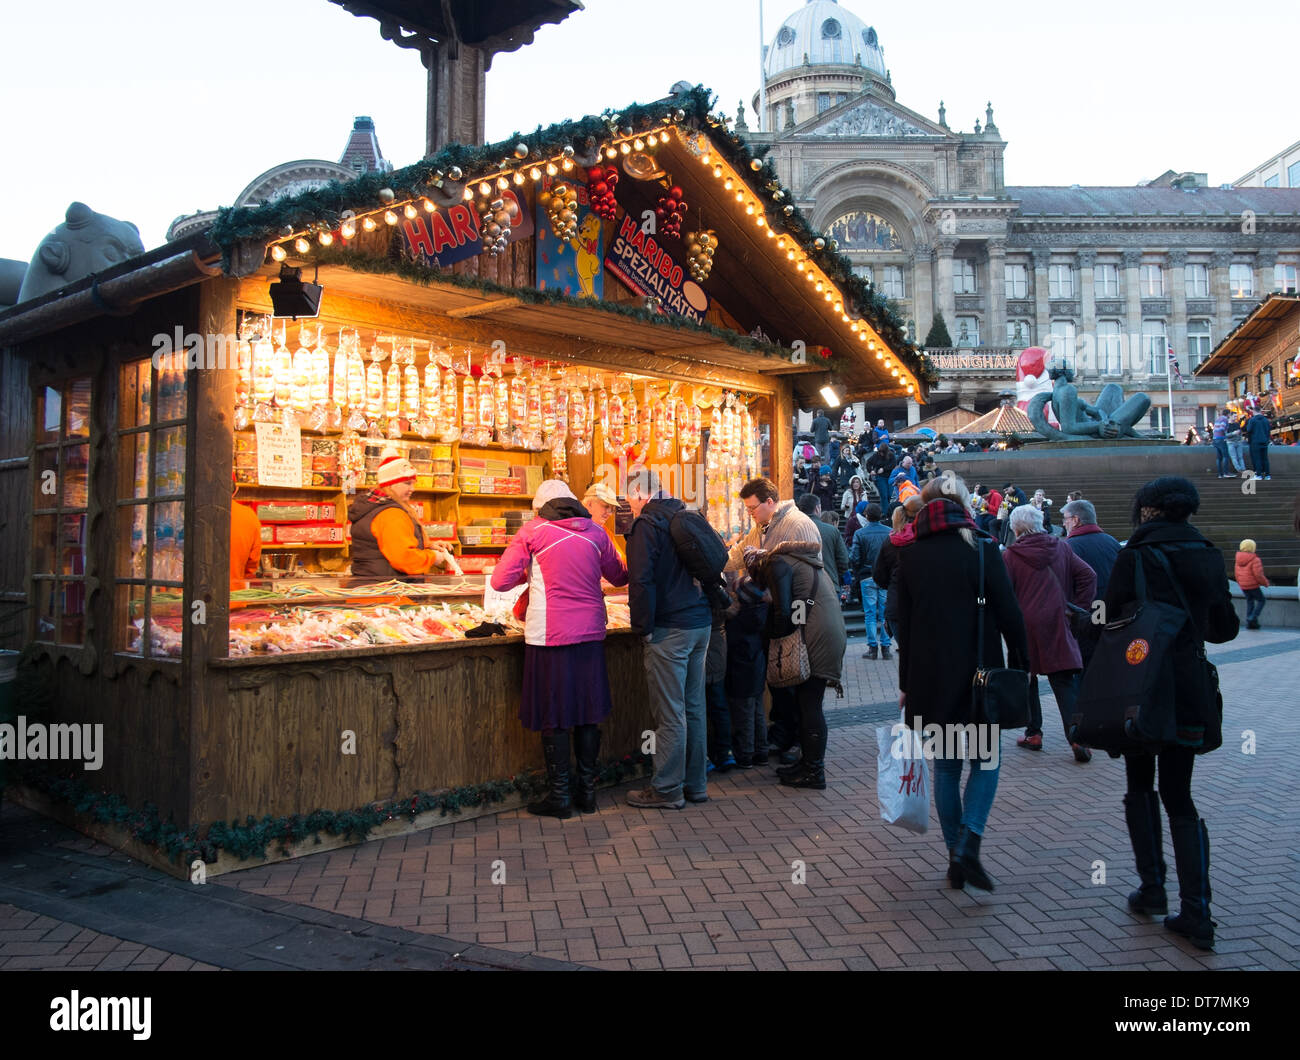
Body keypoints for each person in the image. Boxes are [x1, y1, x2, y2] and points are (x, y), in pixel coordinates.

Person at [1105, 476, 1238, 950]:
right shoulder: (1207, 552)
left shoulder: (1134, 554)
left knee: (1139, 785)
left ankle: (1152, 888)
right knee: (1179, 795)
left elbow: (1108, 617)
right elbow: (1225, 629)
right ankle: (1198, 911)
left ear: (1147, 510)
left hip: (1139, 687)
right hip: (1188, 688)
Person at [893, 474, 1029, 892]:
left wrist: (906, 682)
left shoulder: (911, 556)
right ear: (964, 504)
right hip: (980, 677)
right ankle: (970, 840)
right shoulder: (985, 550)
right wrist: (1022, 666)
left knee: (947, 769)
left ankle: (956, 854)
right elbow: (1010, 615)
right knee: (986, 762)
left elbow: (902, 625)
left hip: (931, 680)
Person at [491, 480, 628, 817]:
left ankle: (560, 796)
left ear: (541, 508)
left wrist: (531, 570)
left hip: (549, 633)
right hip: (591, 632)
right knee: (587, 710)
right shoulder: (597, 533)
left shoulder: (532, 531)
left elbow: (499, 581)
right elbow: (620, 575)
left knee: (555, 713)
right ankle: (588, 793)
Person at [624, 469, 714, 810]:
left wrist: (643, 627)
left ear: (638, 495)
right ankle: (695, 784)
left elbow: (641, 580)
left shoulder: (647, 525)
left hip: (669, 628)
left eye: (629, 500)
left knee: (671, 713)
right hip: (699, 623)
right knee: (693, 707)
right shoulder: (685, 515)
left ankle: (666, 789)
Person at [743, 504, 846, 791]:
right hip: (826, 629)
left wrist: (775, 638)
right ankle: (806, 764)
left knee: (809, 703)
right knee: (805, 701)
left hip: (817, 636)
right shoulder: (795, 560)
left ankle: (815, 772)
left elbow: (785, 614)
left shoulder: (775, 565)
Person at [1003, 504, 1097, 762]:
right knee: (1064, 682)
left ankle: (1034, 733)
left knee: (1028, 681)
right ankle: (1078, 738)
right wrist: (1077, 608)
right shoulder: (1062, 547)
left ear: (1016, 527)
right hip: (1057, 620)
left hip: (1024, 625)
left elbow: (1003, 594)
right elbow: (1088, 575)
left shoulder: (1010, 555)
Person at [735, 477, 819, 761]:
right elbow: (739, 553)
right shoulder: (763, 525)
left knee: (794, 678)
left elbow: (811, 573)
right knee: (779, 678)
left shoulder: (797, 523)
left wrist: (792, 608)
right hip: (774, 613)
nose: (750, 514)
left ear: (770, 502)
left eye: (752, 509)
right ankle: (784, 736)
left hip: (795, 614)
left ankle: (797, 742)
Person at [349, 448, 458, 579]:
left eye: (413, 483)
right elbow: (404, 559)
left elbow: (388, 546)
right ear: (390, 484)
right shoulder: (391, 514)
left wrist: (427, 546)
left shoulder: (376, 506)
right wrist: (433, 557)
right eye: (407, 483)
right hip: (386, 591)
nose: (412, 489)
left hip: (371, 588)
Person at [725, 571, 769, 768]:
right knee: (757, 710)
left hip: (740, 670)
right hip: (756, 666)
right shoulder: (760, 613)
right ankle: (762, 751)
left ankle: (745, 754)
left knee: (744, 712)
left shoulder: (738, 620)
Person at [849, 503, 892, 659]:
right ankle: (886, 647)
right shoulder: (889, 532)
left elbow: (854, 557)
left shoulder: (860, 533)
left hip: (867, 575)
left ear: (866, 515)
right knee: (884, 613)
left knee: (870, 614)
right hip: (885, 577)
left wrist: (859, 570)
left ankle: (872, 648)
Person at [1061, 499, 1122, 598]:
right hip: (1115, 604)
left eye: (1065, 519)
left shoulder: (1068, 546)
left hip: (1087, 607)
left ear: (1075, 520)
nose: (1063, 524)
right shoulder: (1112, 541)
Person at [796, 493, 849, 590]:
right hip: (829, 584)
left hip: (801, 587)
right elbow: (844, 561)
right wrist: (833, 573)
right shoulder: (832, 530)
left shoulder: (792, 530)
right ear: (817, 508)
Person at [230, 474, 263, 591]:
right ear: (235, 490)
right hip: (233, 598)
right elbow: (252, 564)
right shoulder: (249, 516)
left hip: (187, 601)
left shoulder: (182, 513)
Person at [582, 481, 624, 561]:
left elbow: (621, 559)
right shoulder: (576, 530)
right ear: (589, 504)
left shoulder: (606, 532)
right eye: (605, 506)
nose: (609, 513)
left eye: (612, 510)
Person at [1235, 538, 1269, 629]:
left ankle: (1251, 622)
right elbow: (1258, 574)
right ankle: (1252, 617)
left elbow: (1236, 573)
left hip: (1244, 586)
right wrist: (1265, 583)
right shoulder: (1255, 559)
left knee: (1250, 602)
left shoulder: (1238, 558)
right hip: (1253, 585)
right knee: (1261, 600)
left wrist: (1240, 583)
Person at [865, 442, 896, 509]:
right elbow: (868, 463)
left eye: (883, 452)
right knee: (884, 495)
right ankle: (885, 513)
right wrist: (871, 471)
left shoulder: (891, 455)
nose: (881, 454)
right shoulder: (876, 455)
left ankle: (886, 510)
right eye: (880, 452)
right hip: (880, 477)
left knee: (889, 495)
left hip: (889, 477)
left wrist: (884, 469)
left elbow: (893, 464)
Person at [1245, 408, 1273, 480]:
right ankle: (1267, 475)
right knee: (1265, 458)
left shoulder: (1252, 420)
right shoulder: (1266, 420)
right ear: (1260, 411)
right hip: (1264, 441)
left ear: (1254, 412)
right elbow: (1268, 430)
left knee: (1257, 458)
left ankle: (1258, 475)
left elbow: (1248, 430)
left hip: (1255, 441)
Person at [1210, 410, 1232, 478]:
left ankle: (1220, 474)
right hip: (1221, 439)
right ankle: (1226, 473)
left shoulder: (1218, 419)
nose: (1229, 416)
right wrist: (1225, 435)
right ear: (1228, 414)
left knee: (1219, 458)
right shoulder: (1225, 419)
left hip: (1215, 439)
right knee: (1226, 456)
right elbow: (1222, 428)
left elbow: (1214, 430)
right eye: (1229, 414)